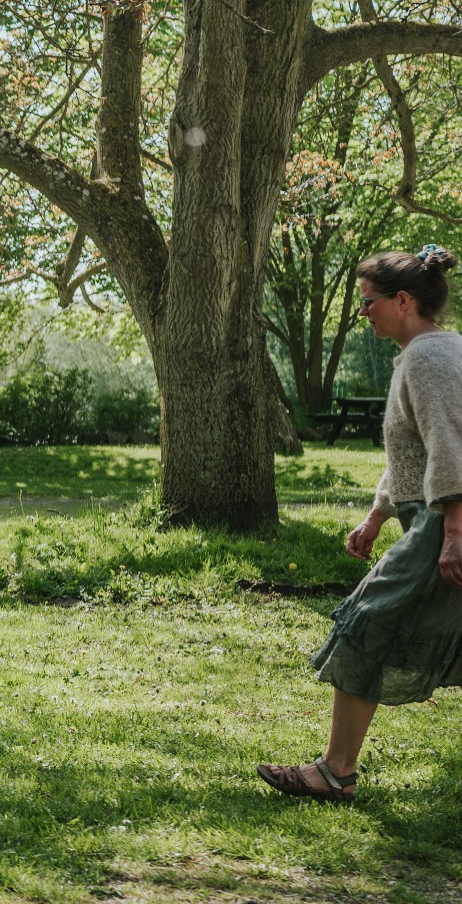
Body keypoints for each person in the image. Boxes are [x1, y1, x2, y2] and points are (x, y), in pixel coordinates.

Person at [259, 246, 462, 803]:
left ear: (403, 300)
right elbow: (412, 454)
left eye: (368, 302)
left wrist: (453, 533)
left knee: (367, 624)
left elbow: (450, 446)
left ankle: (334, 772)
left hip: (444, 521)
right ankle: (336, 770)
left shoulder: (428, 358)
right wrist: (377, 515)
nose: (362, 313)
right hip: (436, 516)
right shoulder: (433, 351)